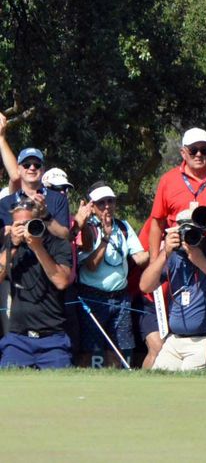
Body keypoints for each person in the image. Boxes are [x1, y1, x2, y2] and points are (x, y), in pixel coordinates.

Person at [139, 206, 206, 371]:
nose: (189, 237)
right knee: (158, 380)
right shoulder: (174, 255)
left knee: (189, 377)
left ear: (204, 232)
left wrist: (201, 262)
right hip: (176, 340)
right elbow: (145, 286)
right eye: (184, 231)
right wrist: (164, 254)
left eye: (194, 232)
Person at [75, 182, 148, 367]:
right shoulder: (87, 229)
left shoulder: (123, 227)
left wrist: (161, 250)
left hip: (121, 298)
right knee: (90, 351)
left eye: (111, 201)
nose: (107, 206)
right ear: (92, 206)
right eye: (101, 203)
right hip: (92, 298)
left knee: (121, 349)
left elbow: (139, 258)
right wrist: (106, 237)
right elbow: (91, 265)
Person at [0, 198, 74, 368]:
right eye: (19, 225)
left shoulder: (58, 244)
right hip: (18, 338)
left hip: (53, 338)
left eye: (28, 223)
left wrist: (37, 247)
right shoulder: (11, 248)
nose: (25, 229)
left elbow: (62, 282)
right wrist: (12, 245)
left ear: (39, 220)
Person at [0, 146, 71, 239]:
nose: (32, 168)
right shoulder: (5, 203)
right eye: (26, 165)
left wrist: (45, 215)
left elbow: (65, 235)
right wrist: (12, 234)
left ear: (43, 169)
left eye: (37, 164)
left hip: (48, 253)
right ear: (18, 169)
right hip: (19, 253)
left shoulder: (58, 199)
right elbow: (2, 239)